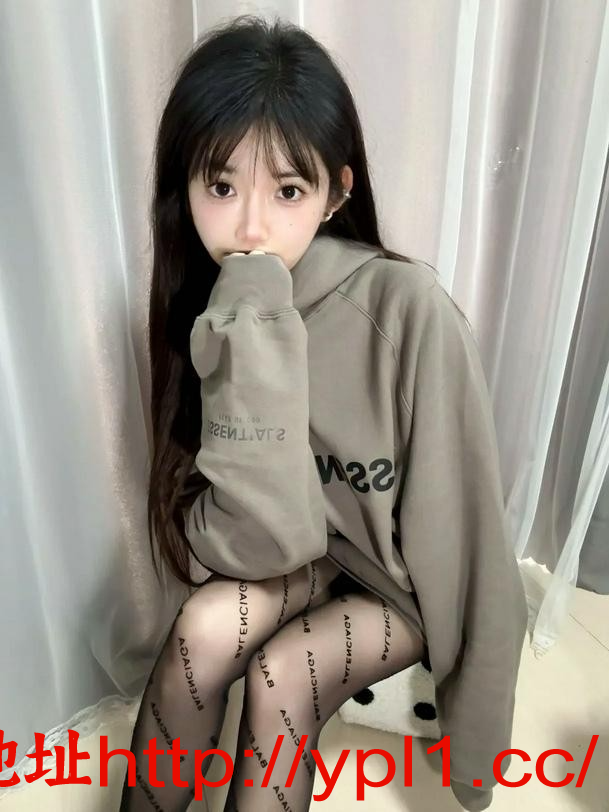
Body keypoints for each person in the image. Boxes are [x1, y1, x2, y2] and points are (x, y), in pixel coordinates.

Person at [119, 13, 528, 812]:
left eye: (288, 190)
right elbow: (254, 535)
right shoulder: (214, 307)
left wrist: (476, 738)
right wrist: (253, 336)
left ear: (337, 192)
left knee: (283, 676)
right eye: (220, 186)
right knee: (201, 632)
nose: (249, 227)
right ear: (183, 185)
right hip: (295, 553)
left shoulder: (404, 308)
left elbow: (469, 533)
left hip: (398, 578)